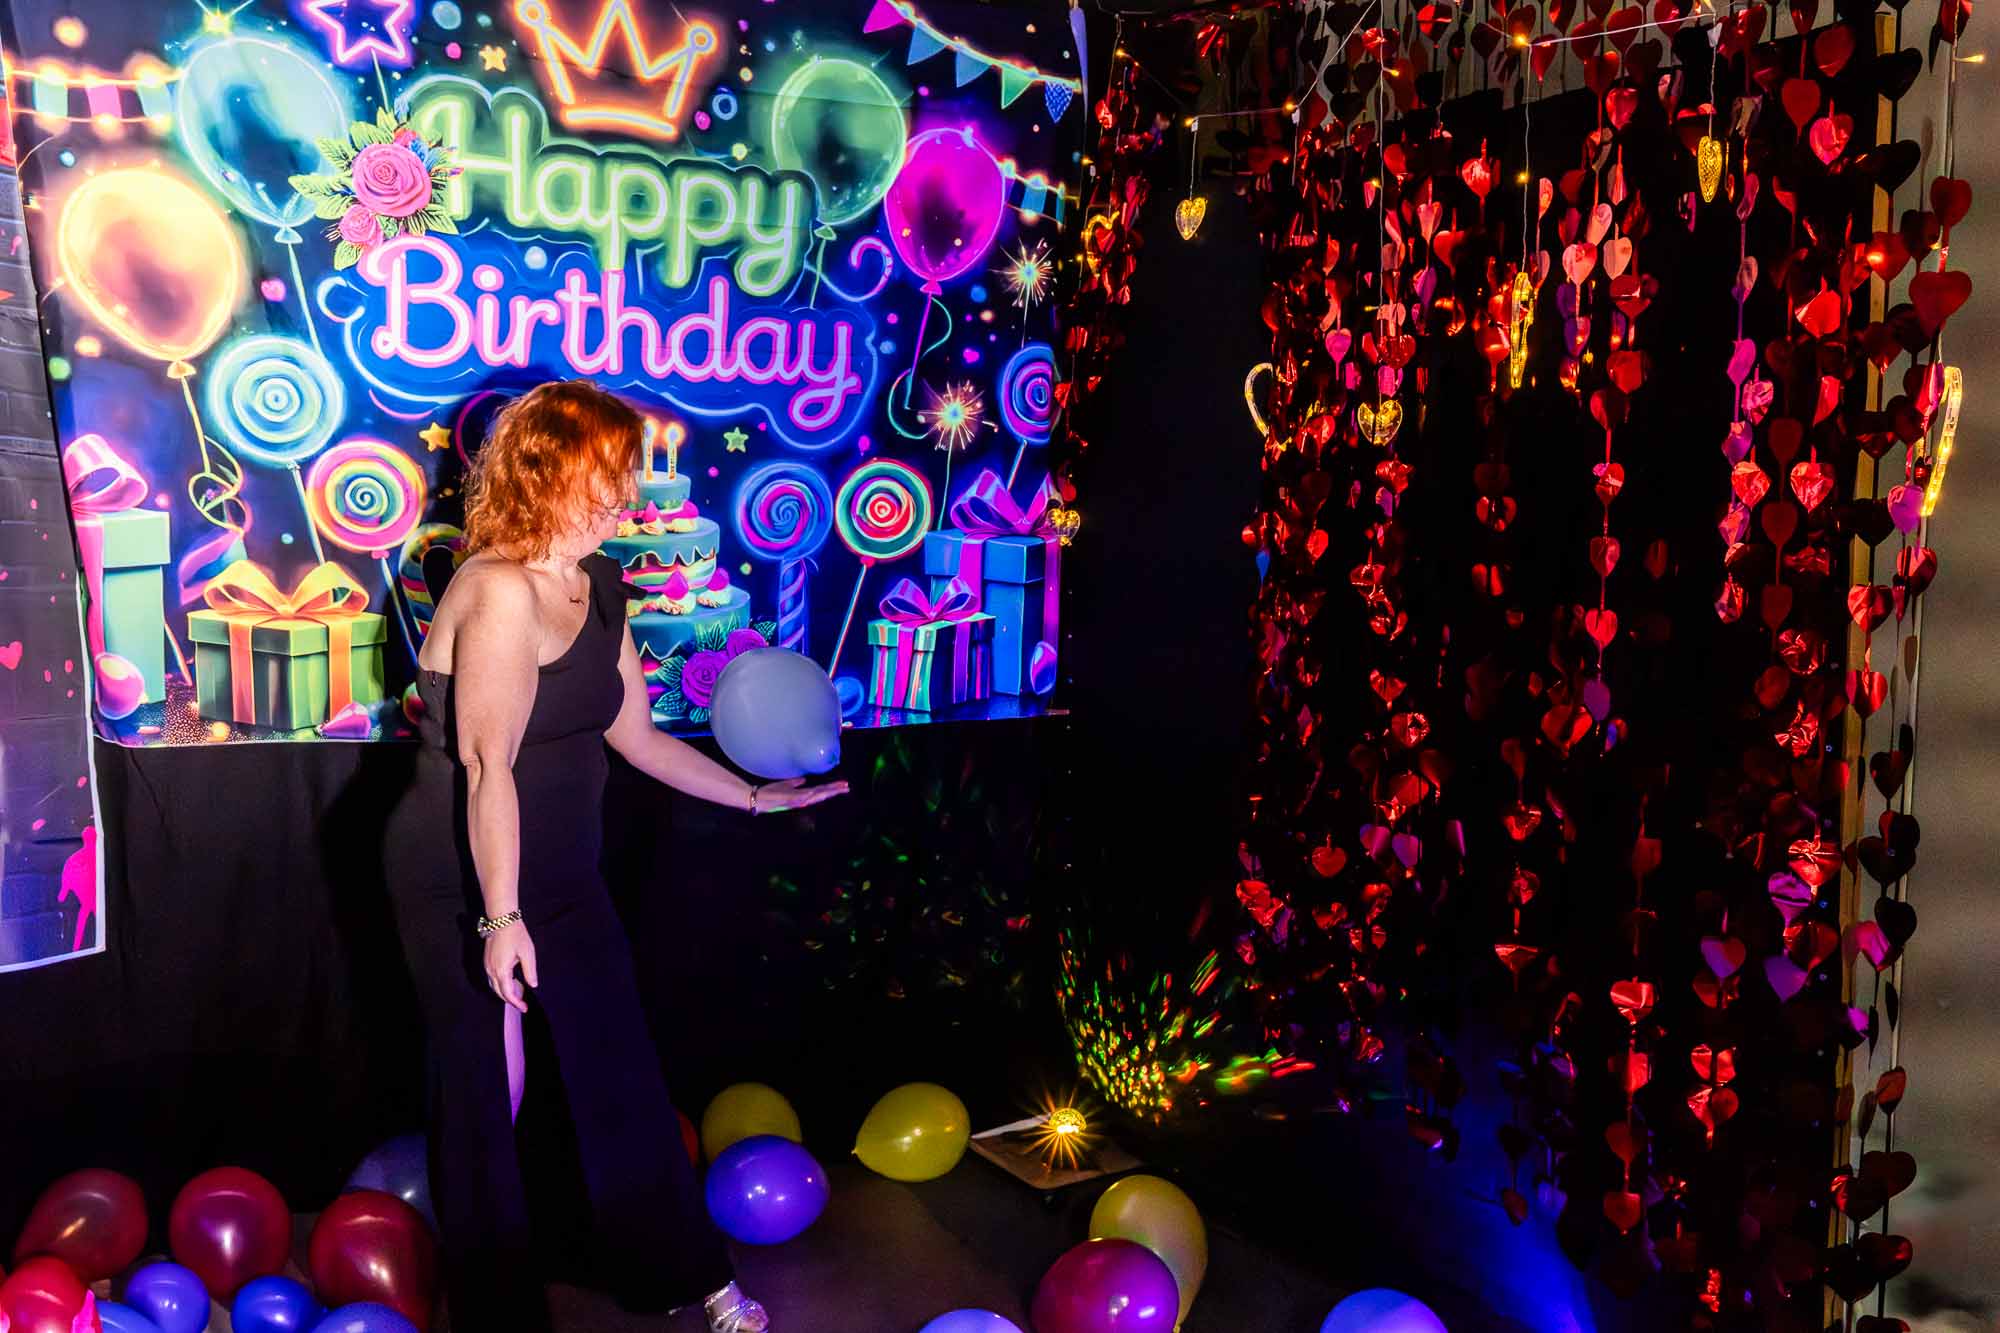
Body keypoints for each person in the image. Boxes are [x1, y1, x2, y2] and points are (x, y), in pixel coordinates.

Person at [385, 380, 845, 1331]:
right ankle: (497, 1315)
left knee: (620, 1068)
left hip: (560, 870)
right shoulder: (496, 588)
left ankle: (688, 1272)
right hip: (458, 871)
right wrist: (500, 919)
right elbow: (487, 766)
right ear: (547, 473)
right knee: (482, 1089)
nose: (627, 494)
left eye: (628, 473)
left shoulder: (596, 582)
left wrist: (753, 795)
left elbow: (638, 739)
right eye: (609, 474)